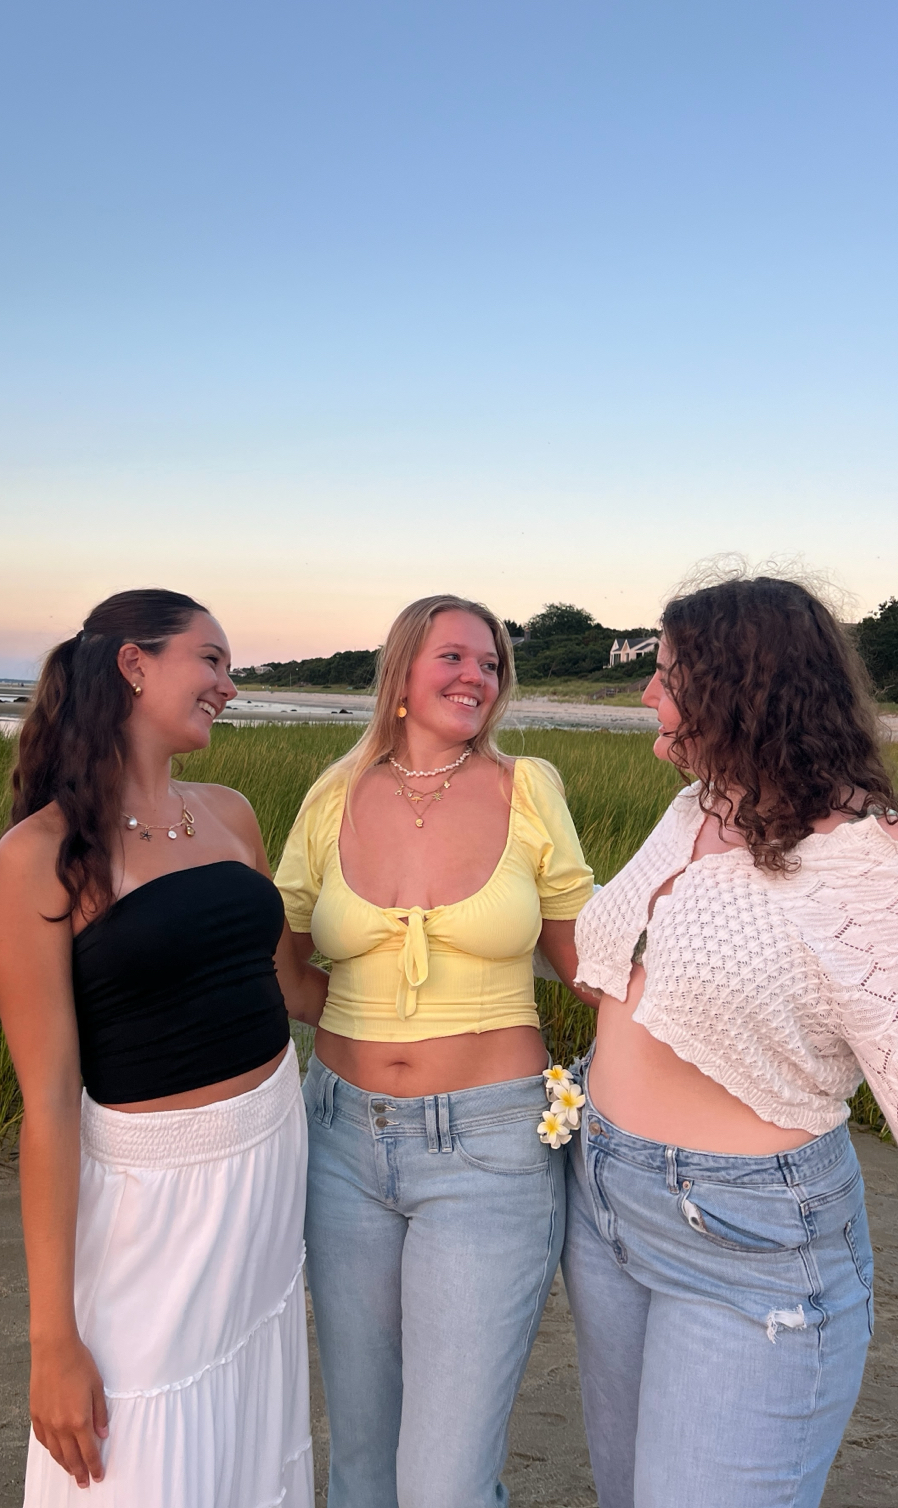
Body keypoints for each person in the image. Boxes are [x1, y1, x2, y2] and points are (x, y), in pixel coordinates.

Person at [564, 573, 898, 1508]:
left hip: (748, 1243)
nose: (646, 694)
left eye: (666, 674)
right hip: (607, 1204)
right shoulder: (699, 806)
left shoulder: (876, 878)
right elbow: (628, 968)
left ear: (745, 689)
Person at [0, 588, 314, 1508]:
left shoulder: (232, 813)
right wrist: (53, 1341)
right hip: (154, 1197)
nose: (229, 687)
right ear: (135, 663)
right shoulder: (41, 857)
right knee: (137, 1454)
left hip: (272, 1155)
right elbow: (47, 1105)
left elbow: (293, 987)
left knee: (248, 1424)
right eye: (211, 661)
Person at [273, 593, 598, 1508]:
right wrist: (353, 1029)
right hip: (339, 1140)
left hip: (489, 1153)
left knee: (444, 1484)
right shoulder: (333, 793)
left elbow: (586, 966)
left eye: (491, 664)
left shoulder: (529, 786)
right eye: (455, 657)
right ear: (403, 677)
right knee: (363, 1465)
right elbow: (284, 947)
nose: (477, 678)